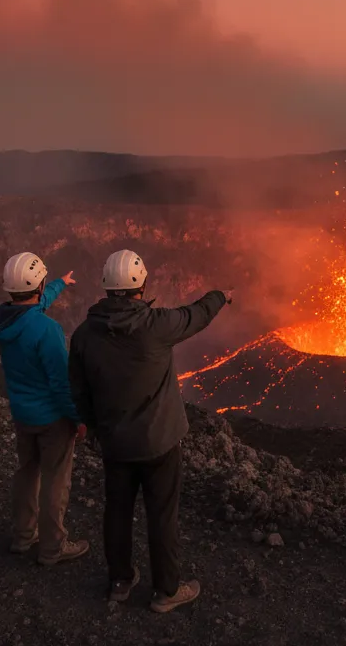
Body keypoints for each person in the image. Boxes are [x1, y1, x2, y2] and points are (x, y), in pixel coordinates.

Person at [68, 249, 231, 612]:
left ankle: (120, 581)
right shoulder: (155, 325)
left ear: (107, 287)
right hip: (159, 443)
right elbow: (197, 315)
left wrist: (94, 430)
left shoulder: (83, 336)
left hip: (114, 444)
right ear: (141, 285)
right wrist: (221, 295)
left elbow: (78, 391)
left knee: (117, 511)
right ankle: (166, 592)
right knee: (161, 516)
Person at [0, 252, 89, 565]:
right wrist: (78, 419)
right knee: (55, 482)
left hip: (23, 415)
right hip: (52, 419)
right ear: (38, 285)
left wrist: (60, 284)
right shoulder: (48, 330)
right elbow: (60, 384)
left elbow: (32, 309)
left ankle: (23, 536)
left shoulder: (3, 322)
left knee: (27, 474)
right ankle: (53, 547)